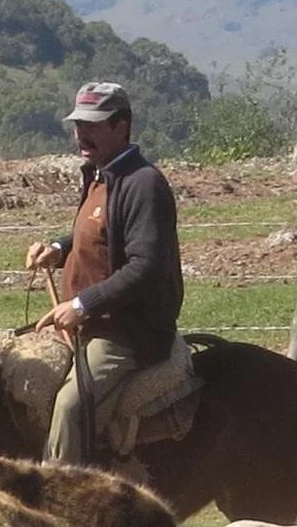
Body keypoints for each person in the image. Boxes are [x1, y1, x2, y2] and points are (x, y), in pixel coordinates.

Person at [23, 80, 182, 466]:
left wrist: (80, 304)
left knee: (68, 407)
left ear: (121, 126)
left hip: (125, 331)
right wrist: (59, 249)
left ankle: (60, 502)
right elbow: (99, 236)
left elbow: (145, 267)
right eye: (78, 124)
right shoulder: (100, 176)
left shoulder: (144, 184)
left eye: (93, 125)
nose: (82, 133)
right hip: (91, 321)